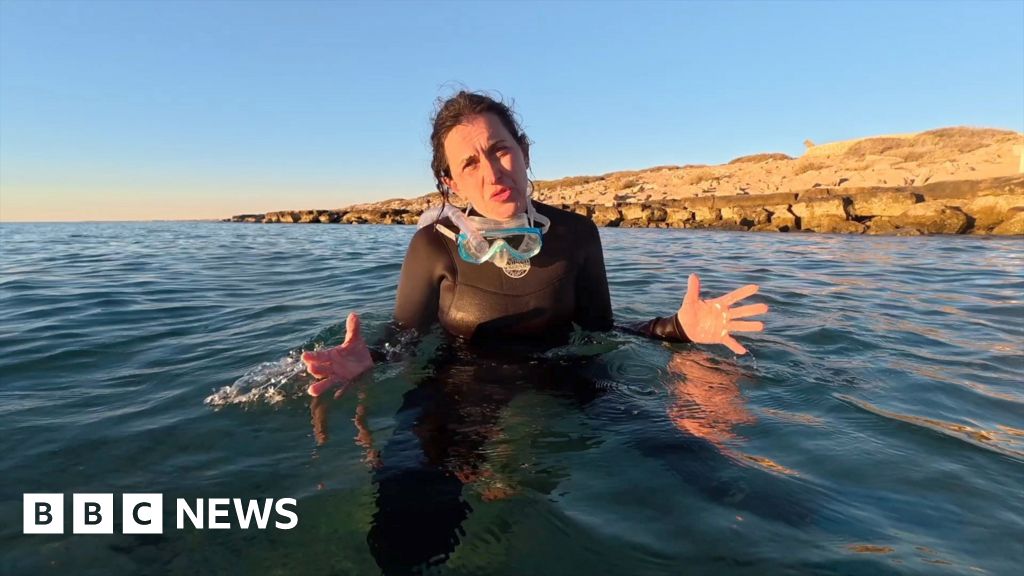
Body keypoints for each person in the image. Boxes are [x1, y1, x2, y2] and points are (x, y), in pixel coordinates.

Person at [300, 90, 768, 397]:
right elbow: (404, 341)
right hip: (463, 393)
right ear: (451, 183)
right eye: (469, 164)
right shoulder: (433, 246)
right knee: (407, 534)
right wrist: (371, 358)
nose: (493, 172)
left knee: (697, 463)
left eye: (500, 150)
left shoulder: (576, 235)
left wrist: (677, 329)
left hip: (564, 385)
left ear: (523, 151)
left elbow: (600, 334)